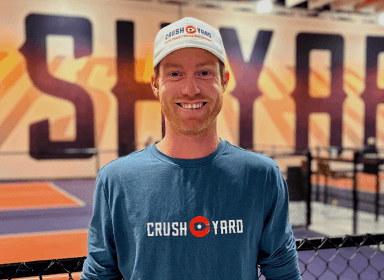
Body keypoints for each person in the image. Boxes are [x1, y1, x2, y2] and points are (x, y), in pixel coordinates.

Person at [81, 17, 301, 280]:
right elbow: (100, 274)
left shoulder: (262, 176)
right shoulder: (116, 180)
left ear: (224, 80)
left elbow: (283, 272)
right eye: (175, 74)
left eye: (204, 73)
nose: (190, 89)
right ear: (155, 84)